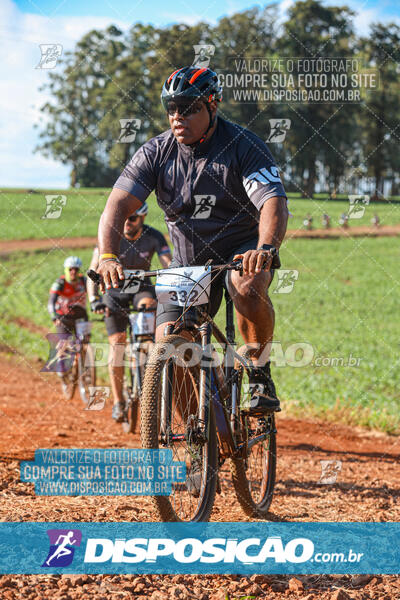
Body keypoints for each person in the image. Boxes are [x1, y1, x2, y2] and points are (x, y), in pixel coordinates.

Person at [96, 66, 288, 415]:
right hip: (186, 262)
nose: (177, 117)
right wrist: (109, 255)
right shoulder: (156, 152)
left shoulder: (243, 147)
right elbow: (116, 207)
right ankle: (199, 438)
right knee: (169, 343)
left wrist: (265, 249)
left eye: (188, 108)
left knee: (247, 286)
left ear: (212, 106)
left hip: (238, 251)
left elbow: (272, 202)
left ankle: (260, 372)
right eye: (171, 108)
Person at [88, 202, 172, 422]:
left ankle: (147, 368)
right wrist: (93, 299)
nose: (127, 222)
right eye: (124, 218)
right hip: (114, 292)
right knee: (117, 345)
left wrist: (173, 280)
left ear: (142, 218)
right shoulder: (111, 236)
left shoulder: (154, 236)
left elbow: (168, 263)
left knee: (149, 309)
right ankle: (118, 401)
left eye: (132, 218)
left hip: (140, 288)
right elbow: (93, 267)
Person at [48, 256, 88, 335]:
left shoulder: (84, 281)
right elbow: (51, 301)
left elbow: (95, 295)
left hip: (80, 316)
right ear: (65, 270)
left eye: (76, 269)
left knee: (85, 343)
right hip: (63, 318)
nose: (73, 272)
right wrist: (54, 317)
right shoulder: (60, 283)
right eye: (70, 269)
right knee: (64, 345)